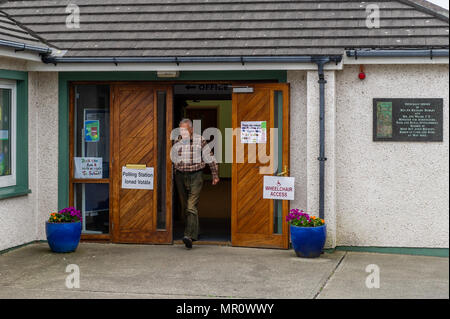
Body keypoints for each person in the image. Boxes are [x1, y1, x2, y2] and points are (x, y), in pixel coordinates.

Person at [173, 118, 219, 249]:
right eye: (181, 130)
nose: (183, 132)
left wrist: (215, 175)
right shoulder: (177, 140)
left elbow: (210, 157)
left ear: (191, 129)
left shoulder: (200, 140)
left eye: (185, 130)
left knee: (191, 205)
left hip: (196, 175)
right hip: (181, 176)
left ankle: (188, 236)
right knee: (185, 207)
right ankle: (196, 230)